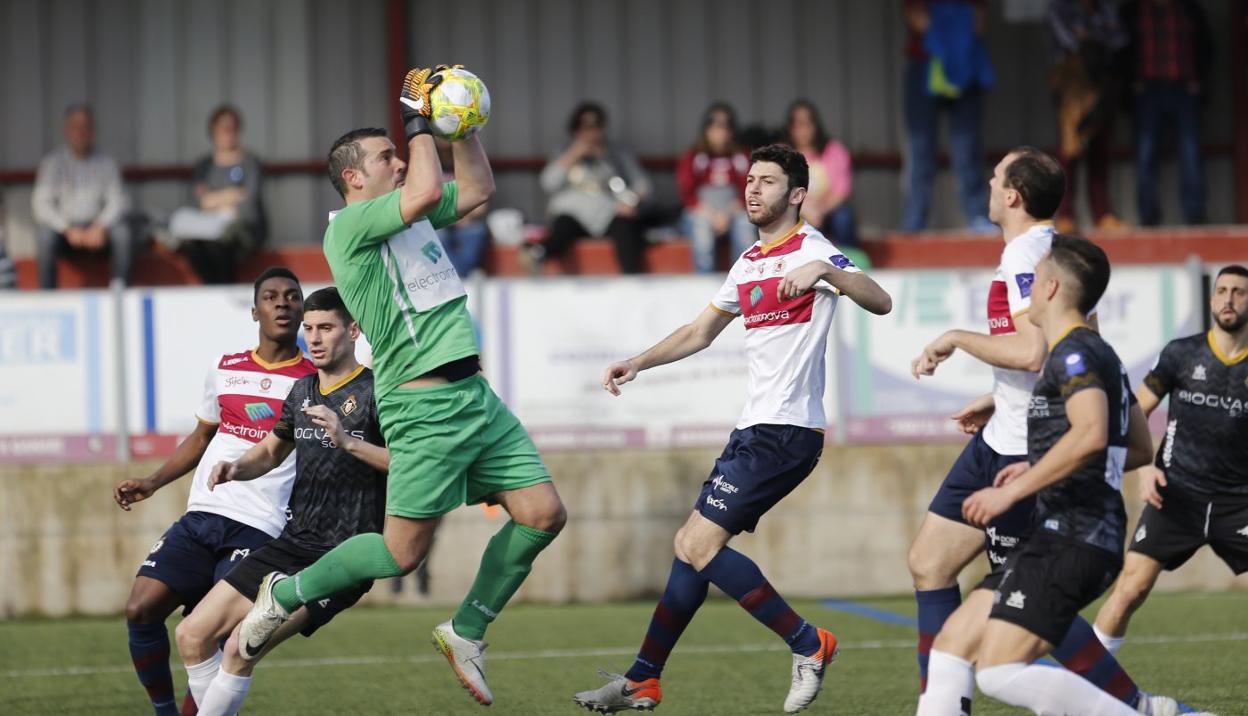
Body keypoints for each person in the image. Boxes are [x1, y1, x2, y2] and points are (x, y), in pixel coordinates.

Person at [235, 66, 566, 708]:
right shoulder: (349, 226)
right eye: (385, 154)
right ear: (355, 176)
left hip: (473, 396)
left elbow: (477, 188)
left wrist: (460, 128)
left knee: (543, 514)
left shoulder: (405, 214)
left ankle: (466, 630)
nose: (398, 159)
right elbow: (419, 192)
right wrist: (418, 119)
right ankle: (286, 593)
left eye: (399, 150)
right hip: (421, 405)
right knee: (399, 553)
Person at [573, 144, 893, 714]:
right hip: (752, 430)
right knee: (687, 550)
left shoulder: (813, 248)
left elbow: (881, 300)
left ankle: (808, 643)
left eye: (767, 182)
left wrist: (826, 271)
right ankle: (643, 679)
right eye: (750, 180)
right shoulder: (747, 262)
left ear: (796, 194)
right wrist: (639, 362)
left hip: (788, 431)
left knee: (697, 544)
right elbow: (700, 332)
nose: (752, 190)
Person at [963, 236, 1171, 715]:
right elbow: (1136, 446)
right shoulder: (1097, 352)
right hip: (1077, 534)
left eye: (1032, 281)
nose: (1027, 290)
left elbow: (1094, 434)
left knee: (997, 671)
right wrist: (1040, 465)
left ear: (1052, 288)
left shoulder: (1072, 354)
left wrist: (1013, 489)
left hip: (1075, 535)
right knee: (991, 662)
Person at [174, 287, 387, 715]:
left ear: (354, 330)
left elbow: (409, 464)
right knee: (191, 634)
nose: (315, 338)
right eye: (309, 329)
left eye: (326, 328)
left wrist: (346, 442)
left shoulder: (378, 392)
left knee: (239, 647)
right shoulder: (303, 390)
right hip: (292, 542)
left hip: (343, 556)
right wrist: (237, 467)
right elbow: (271, 450)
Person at [112, 267, 312, 716]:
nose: (282, 303)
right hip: (202, 515)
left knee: (216, 637)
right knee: (141, 608)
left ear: (302, 310)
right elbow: (201, 437)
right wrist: (151, 482)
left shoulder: (314, 381)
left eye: (292, 297)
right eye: (272, 296)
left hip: (261, 527)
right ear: (254, 310)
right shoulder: (225, 368)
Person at [907, 147, 1062, 694]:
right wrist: (996, 399)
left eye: (996, 177)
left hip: (1026, 450)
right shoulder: (1039, 250)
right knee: (929, 562)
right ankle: (943, 705)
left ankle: (1133, 704)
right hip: (999, 435)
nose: (988, 183)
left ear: (1013, 195)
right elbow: (1052, 354)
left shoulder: (1028, 256)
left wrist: (952, 337)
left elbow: (1032, 352)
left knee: (1029, 605)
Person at [1093, 265, 1248, 654]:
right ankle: (1084, 686)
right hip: (1177, 495)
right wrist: (1146, 466)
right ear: (1212, 299)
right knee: (1130, 589)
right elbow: (1135, 413)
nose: (1229, 299)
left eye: (1240, 292)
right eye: (1223, 290)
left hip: (1239, 503)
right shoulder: (1181, 354)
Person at [901, 0, 994, 232]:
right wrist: (952, 34)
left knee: (967, 146)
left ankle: (977, 216)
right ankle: (915, 221)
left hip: (965, 62)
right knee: (920, 147)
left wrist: (947, 35)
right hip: (927, 63)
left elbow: (980, 24)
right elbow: (915, 17)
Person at [530, 102, 652, 274]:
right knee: (562, 228)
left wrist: (632, 202)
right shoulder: (562, 152)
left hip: (608, 213)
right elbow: (548, 183)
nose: (590, 133)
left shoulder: (616, 154)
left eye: (595, 127)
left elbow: (643, 185)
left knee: (627, 229)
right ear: (574, 130)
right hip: (572, 215)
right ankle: (538, 258)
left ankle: (632, 279)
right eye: (584, 127)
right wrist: (573, 154)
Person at [1120, 0, 1211, 226]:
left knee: (1191, 152)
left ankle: (1195, 214)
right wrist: (1131, 83)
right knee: (1146, 153)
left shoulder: (1189, 8)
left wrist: (1199, 80)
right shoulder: (1134, 10)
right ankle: (1148, 216)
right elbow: (1122, 50)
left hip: (1184, 87)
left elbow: (1206, 46)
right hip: (1147, 89)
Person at [32, 104, 137, 288]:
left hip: (98, 231)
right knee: (44, 237)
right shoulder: (53, 162)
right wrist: (67, 228)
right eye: (75, 127)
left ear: (93, 131)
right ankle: (47, 298)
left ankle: (120, 293)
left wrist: (101, 225)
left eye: (85, 128)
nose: (80, 133)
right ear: (66, 131)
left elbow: (120, 200)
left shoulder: (107, 162)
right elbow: (41, 204)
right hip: (66, 231)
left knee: (123, 234)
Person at [1048, 0, 1129, 232]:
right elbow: (1069, 42)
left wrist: (1089, 34)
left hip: (1102, 84)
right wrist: (1097, 34)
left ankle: (1103, 214)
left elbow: (1120, 39)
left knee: (1101, 151)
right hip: (1073, 87)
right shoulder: (1060, 7)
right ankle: (1065, 215)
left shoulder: (1106, 6)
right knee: (1069, 152)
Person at [169, 105, 267, 284]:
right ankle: (213, 291)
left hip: (241, 230)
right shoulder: (204, 166)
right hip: (207, 228)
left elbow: (248, 203)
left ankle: (224, 290)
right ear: (213, 131)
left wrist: (213, 201)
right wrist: (231, 195)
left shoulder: (250, 162)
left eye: (232, 128)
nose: (228, 133)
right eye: (223, 129)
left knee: (219, 243)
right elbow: (196, 202)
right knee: (193, 245)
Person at [676, 102, 753, 273]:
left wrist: (726, 215)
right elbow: (687, 194)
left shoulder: (742, 156)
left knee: (745, 224)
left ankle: (742, 281)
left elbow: (750, 191)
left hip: (733, 211)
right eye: (715, 126)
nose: (721, 132)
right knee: (701, 228)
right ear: (706, 129)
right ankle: (705, 283)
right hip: (702, 212)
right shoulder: (694, 156)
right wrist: (712, 215)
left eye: (725, 126)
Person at [785, 99, 859, 251]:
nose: (803, 131)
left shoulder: (834, 150)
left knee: (844, 217)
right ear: (790, 128)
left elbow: (842, 191)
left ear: (816, 125)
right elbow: (780, 192)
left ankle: (848, 262)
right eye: (798, 125)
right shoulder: (782, 154)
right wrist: (804, 209)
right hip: (796, 212)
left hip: (828, 210)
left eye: (807, 124)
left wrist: (820, 210)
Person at [434, 139, 490, 276]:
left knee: (476, 231)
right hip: (438, 222)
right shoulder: (427, 170)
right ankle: (456, 275)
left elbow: (482, 206)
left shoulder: (469, 169)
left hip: (465, 220)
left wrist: (461, 217)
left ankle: (458, 275)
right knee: (438, 236)